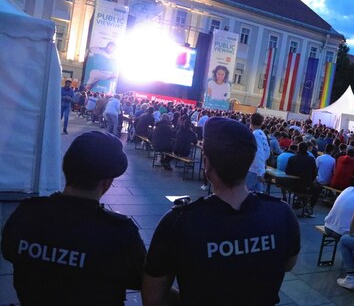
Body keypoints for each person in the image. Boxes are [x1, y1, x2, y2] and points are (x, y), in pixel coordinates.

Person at [142, 117, 300, 305]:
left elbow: (153, 297)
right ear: (249, 163)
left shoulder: (178, 222)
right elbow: (288, 264)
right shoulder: (282, 214)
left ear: (207, 165)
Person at [1, 131, 146, 304]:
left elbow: (9, 252)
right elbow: (141, 281)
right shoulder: (121, 233)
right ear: (106, 183)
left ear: (67, 170)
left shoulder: (27, 213)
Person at [285, 142, 319, 217]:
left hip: (292, 185)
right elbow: (314, 173)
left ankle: (301, 201)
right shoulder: (311, 159)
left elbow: (287, 172)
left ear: (298, 149)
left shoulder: (292, 158)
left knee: (304, 187)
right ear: (307, 149)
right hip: (306, 185)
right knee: (317, 188)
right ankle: (310, 207)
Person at [246, 113, 270, 193]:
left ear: (251, 122)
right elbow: (267, 151)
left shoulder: (255, 134)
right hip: (260, 168)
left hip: (254, 170)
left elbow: (258, 153)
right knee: (258, 195)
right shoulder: (262, 134)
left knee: (244, 194)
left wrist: (259, 172)